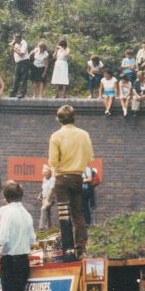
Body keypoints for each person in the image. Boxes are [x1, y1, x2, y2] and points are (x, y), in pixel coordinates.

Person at [48, 105, 94, 258]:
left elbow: (53, 161)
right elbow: (89, 158)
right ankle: (81, 248)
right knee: (78, 214)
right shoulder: (84, 135)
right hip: (77, 178)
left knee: (64, 214)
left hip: (62, 179)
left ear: (58, 119)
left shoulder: (56, 136)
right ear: (74, 117)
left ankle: (67, 250)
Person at [9, 33, 30, 98]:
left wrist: (14, 48)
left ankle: (22, 93)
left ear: (19, 38)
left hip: (24, 61)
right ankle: (14, 92)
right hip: (18, 62)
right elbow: (11, 52)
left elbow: (21, 54)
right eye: (14, 39)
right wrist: (12, 47)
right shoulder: (15, 43)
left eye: (15, 39)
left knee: (23, 78)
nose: (14, 40)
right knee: (16, 77)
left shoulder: (24, 43)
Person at [38, 165, 55, 231]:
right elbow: (43, 189)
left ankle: (41, 227)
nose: (45, 173)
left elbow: (51, 190)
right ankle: (50, 227)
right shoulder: (44, 179)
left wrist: (47, 200)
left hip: (50, 198)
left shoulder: (52, 179)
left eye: (46, 172)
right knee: (48, 212)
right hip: (44, 197)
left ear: (49, 172)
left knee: (43, 209)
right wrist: (40, 195)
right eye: (44, 172)